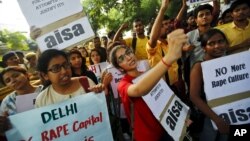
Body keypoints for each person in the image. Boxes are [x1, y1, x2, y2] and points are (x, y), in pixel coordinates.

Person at [109, 28, 188, 141]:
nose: (128, 57)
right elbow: (139, 90)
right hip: (146, 137)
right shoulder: (122, 84)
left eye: (128, 52)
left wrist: (182, 117)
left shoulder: (147, 74)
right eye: (121, 59)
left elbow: (166, 98)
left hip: (166, 129)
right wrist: (169, 57)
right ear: (119, 68)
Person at [189, 29, 229, 141]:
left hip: (228, 113)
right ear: (204, 48)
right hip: (208, 117)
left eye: (221, 41)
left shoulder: (228, 62)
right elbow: (194, 97)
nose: (217, 46)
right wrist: (216, 119)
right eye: (211, 43)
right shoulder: (199, 67)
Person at [35, 49, 103, 108]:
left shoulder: (86, 82)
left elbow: (101, 109)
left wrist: (101, 94)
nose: (64, 71)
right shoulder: (42, 100)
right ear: (45, 75)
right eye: (56, 68)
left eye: (66, 65)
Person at [0, 66, 43, 138]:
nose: (13, 80)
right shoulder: (7, 102)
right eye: (8, 81)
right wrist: (3, 127)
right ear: (7, 85)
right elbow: (3, 132)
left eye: (16, 76)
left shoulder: (45, 90)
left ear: (27, 74)